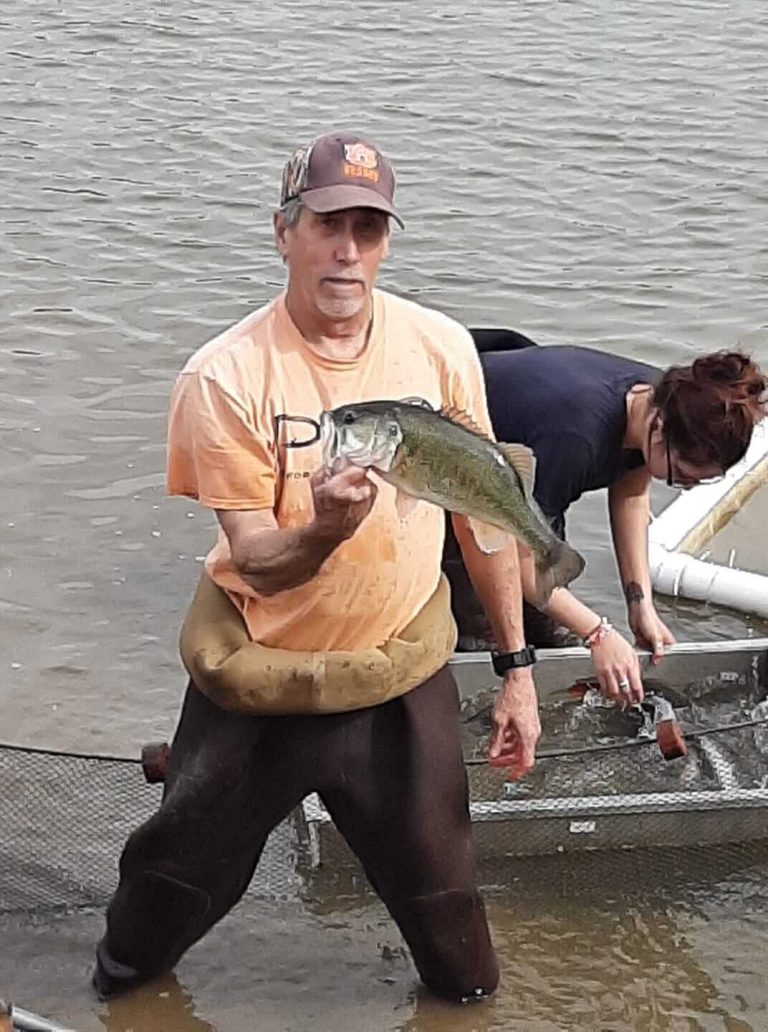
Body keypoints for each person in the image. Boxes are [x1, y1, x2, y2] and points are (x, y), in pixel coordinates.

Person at [92, 132, 540, 1003]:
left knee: (457, 943)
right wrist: (327, 532)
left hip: (399, 683)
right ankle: (116, 1001)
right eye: (329, 224)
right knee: (163, 902)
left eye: (369, 229)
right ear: (283, 230)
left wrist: (516, 669)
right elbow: (255, 560)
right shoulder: (222, 377)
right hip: (259, 687)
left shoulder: (441, 347)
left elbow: (485, 520)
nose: (348, 250)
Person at [445, 332, 767, 704]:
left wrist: (639, 604)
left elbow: (631, 490)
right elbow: (515, 561)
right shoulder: (575, 439)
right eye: (684, 476)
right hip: (458, 473)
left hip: (529, 480)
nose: (690, 487)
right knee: (491, 635)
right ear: (659, 432)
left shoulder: (666, 401)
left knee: (550, 622)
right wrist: (598, 633)